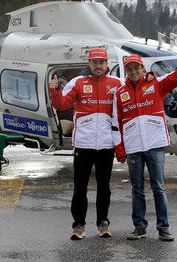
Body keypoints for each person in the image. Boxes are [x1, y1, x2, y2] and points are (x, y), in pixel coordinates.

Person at [112, 43, 177, 242]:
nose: (134, 71)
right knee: (137, 189)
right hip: (134, 148)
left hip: (155, 145)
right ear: (126, 71)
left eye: (137, 67)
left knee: (159, 188)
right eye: (130, 68)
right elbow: (117, 123)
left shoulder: (157, 84)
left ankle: (163, 228)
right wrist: (120, 150)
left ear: (143, 69)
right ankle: (139, 227)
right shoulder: (120, 93)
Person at [49, 48, 122, 240]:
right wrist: (55, 90)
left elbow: (132, 93)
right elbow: (62, 104)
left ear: (107, 64)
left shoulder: (117, 84)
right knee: (80, 187)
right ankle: (78, 224)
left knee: (104, 186)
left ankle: (103, 222)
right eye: (94, 62)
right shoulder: (78, 83)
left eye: (101, 62)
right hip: (83, 143)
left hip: (106, 144)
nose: (98, 66)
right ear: (89, 64)